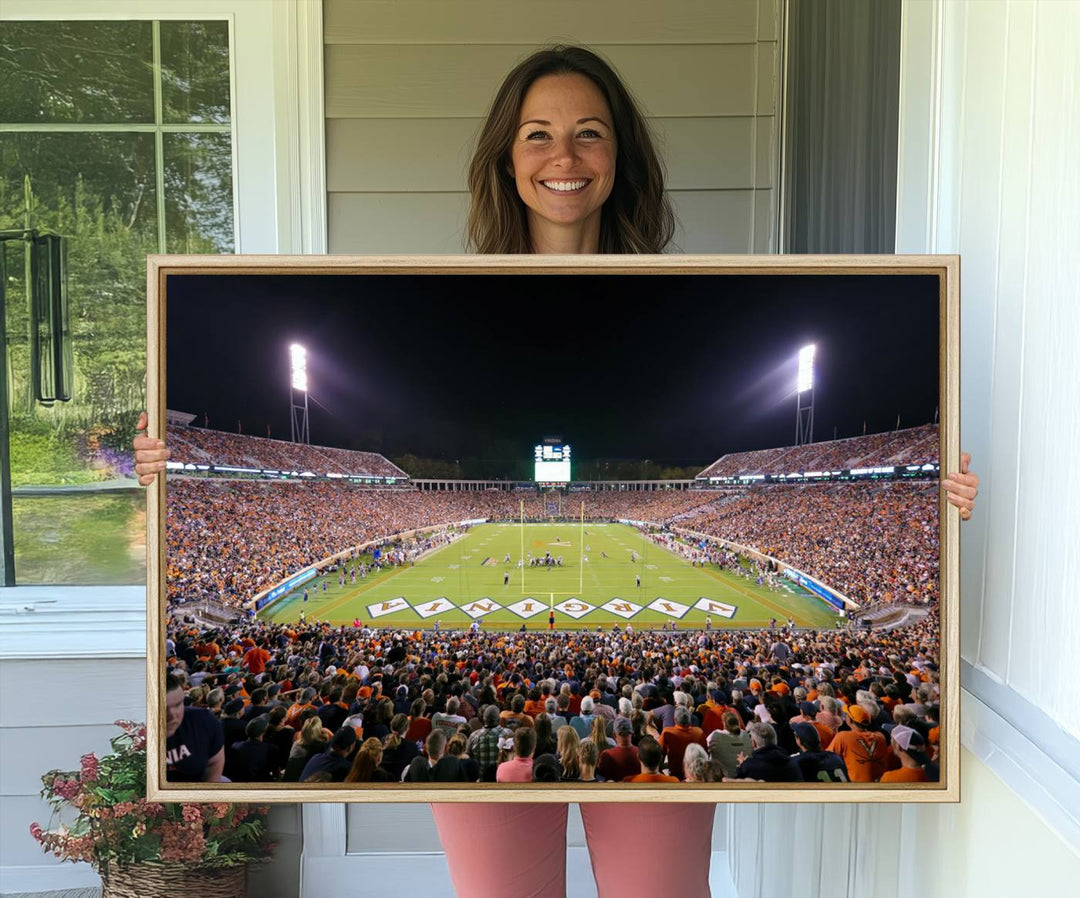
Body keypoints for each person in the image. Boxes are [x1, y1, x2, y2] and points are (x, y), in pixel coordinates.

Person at [135, 41, 980, 898]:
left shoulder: (679, 293)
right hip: (499, 736)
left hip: (627, 742)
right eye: (537, 134)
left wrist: (938, 500)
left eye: (590, 133)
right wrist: (165, 474)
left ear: (622, 156)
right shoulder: (447, 292)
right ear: (506, 157)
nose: (564, 156)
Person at [165, 673, 225, 782]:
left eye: (178, 705)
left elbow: (214, 763)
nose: (172, 716)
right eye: (162, 709)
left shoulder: (204, 722)